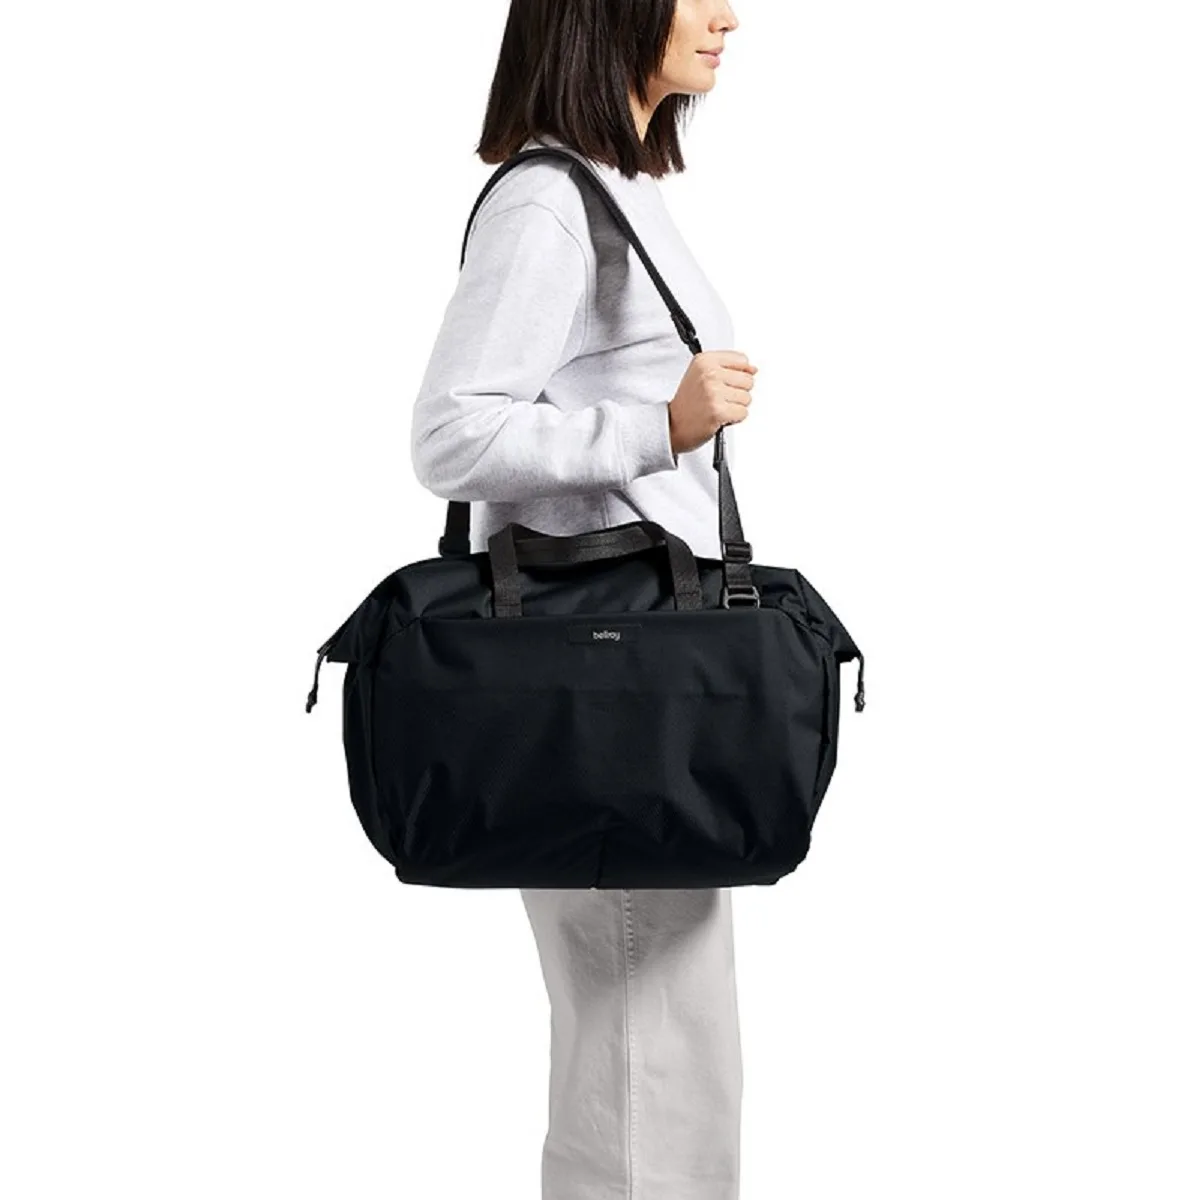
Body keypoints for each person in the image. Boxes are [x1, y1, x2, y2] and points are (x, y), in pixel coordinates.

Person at [411, 3, 753, 1198]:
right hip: (602, 684)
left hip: (640, 674)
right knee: (645, 1056)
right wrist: (659, 426)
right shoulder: (550, 203)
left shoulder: (616, 189)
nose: (727, 13)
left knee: (669, 1047)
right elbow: (453, 437)